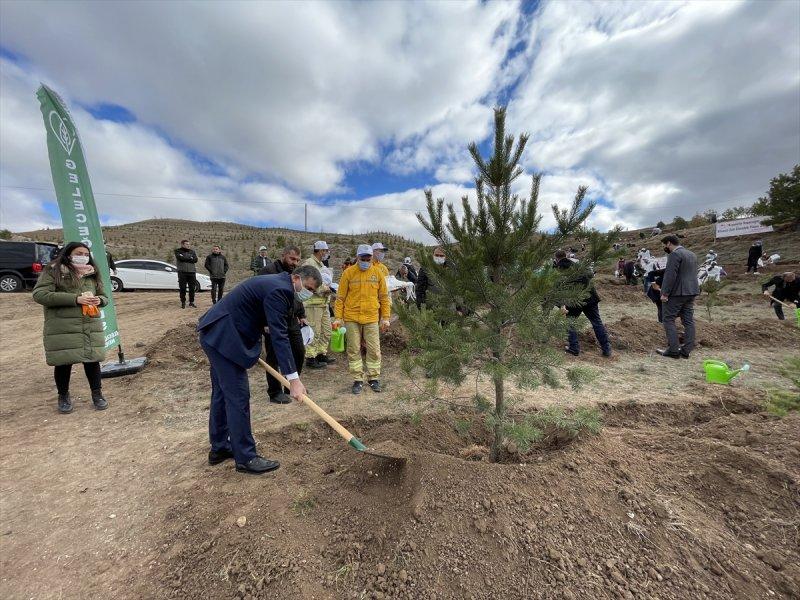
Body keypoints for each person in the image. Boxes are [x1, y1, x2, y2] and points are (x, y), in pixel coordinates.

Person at [197, 265, 321, 474]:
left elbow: (265, 320)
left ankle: (219, 448)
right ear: (297, 278)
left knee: (222, 393)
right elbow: (279, 336)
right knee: (238, 396)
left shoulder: (278, 284)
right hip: (223, 337)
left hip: (217, 333)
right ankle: (246, 458)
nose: (308, 293)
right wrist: (294, 379)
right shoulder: (280, 290)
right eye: (308, 287)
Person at [32, 242, 109, 414]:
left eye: (86, 253)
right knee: (63, 362)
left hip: (89, 323)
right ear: (68, 254)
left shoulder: (92, 273)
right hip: (63, 326)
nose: (83, 256)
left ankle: (97, 394)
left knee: (92, 360)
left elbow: (104, 296)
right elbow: (40, 294)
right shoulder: (54, 270)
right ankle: (63, 396)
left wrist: (100, 301)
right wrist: (75, 299)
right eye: (79, 253)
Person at [334, 244, 391, 394]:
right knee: (353, 349)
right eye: (363, 258)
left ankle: (373, 378)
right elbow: (340, 298)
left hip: (371, 317)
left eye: (368, 258)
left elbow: (384, 297)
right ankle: (358, 379)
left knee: (374, 349)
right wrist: (338, 317)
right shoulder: (348, 273)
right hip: (352, 317)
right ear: (357, 257)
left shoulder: (378, 273)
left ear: (372, 257)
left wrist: (385, 317)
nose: (366, 261)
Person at [259, 245, 309, 403]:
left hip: (291, 318)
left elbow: (297, 296)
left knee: (299, 352)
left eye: (297, 260)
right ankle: (274, 392)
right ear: (283, 255)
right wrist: (264, 322)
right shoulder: (268, 271)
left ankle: (292, 385)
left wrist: (301, 314)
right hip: (271, 320)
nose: (294, 262)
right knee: (274, 356)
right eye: (292, 258)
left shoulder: (296, 274)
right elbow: (261, 297)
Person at [554, 250, 612, 357]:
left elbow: (558, 289)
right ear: (566, 256)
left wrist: (562, 305)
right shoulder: (577, 264)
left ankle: (574, 348)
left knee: (570, 322)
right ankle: (606, 348)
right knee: (597, 322)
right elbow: (590, 275)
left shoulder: (558, 270)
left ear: (556, 259)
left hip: (574, 300)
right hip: (589, 297)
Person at [657, 235, 699, 359]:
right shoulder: (692, 254)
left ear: (669, 243)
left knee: (668, 319)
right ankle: (686, 350)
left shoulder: (675, 255)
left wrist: (664, 293)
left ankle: (674, 350)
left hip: (677, 293)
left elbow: (670, 275)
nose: (665, 248)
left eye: (665, 245)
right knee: (688, 321)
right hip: (691, 291)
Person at [302, 241, 336, 368]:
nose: (327, 253)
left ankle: (321, 353)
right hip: (313, 304)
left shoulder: (321, 264)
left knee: (326, 331)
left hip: (323, 303)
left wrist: (329, 288)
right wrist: (324, 289)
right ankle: (310, 358)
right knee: (314, 331)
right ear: (321, 251)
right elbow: (307, 283)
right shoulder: (308, 264)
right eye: (326, 251)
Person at [174, 239, 198, 308]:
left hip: (192, 272)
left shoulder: (192, 251)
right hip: (182, 272)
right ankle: (183, 302)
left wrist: (185, 257)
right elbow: (180, 258)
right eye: (187, 244)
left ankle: (191, 302)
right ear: (182, 245)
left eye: (189, 244)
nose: (188, 245)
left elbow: (195, 260)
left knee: (192, 288)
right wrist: (190, 258)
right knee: (182, 288)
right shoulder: (178, 251)